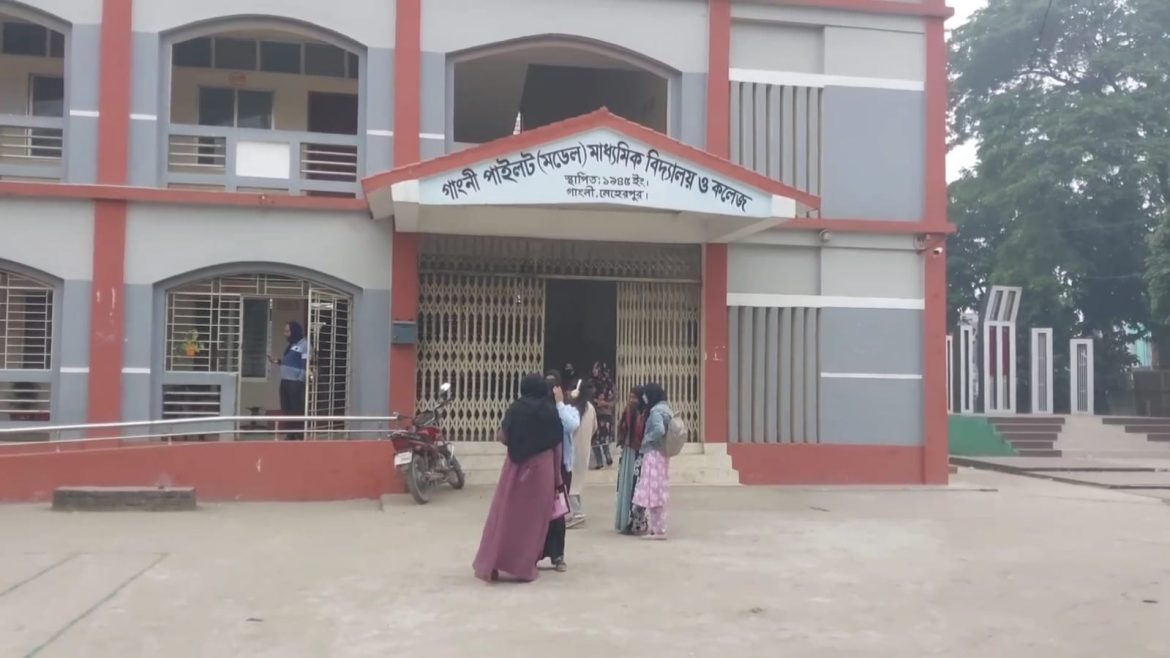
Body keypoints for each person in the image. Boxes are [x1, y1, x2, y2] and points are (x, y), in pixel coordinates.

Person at [473, 374, 566, 583]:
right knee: (533, 522)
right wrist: (557, 479)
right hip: (543, 471)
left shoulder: (515, 409)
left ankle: (494, 563)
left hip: (516, 469)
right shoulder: (550, 411)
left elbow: (502, 436)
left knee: (505, 516)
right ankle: (525, 567)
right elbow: (557, 445)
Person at [540, 370, 579, 571]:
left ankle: (558, 555)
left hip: (562, 468)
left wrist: (559, 404)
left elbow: (571, 426)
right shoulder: (538, 408)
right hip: (541, 468)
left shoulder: (568, 410)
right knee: (538, 512)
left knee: (558, 512)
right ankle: (535, 553)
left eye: (554, 386)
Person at [632, 382, 672, 540]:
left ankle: (658, 529)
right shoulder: (666, 409)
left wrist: (646, 439)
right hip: (662, 455)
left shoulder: (656, 412)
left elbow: (659, 430)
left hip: (653, 454)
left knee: (652, 491)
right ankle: (658, 528)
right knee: (658, 491)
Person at [614, 385, 648, 535]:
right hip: (628, 452)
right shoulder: (628, 412)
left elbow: (642, 434)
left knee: (635, 486)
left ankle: (635, 522)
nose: (631, 400)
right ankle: (625, 521)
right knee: (625, 486)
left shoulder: (644, 414)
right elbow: (622, 430)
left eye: (635, 397)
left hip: (639, 454)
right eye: (630, 397)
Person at [268, 321, 309, 440]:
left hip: (295, 383)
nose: (285, 334)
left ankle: (299, 434)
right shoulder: (292, 345)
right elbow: (289, 362)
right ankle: (290, 434)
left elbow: (305, 364)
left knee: (296, 409)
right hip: (285, 381)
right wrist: (277, 361)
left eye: (287, 331)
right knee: (287, 409)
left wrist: (299, 380)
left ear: (294, 331)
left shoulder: (304, 345)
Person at [567, 379, 597, 528]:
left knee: (570, 483)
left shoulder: (572, 408)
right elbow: (594, 428)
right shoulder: (591, 408)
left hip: (571, 451)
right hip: (584, 450)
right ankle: (576, 510)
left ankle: (578, 513)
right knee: (577, 482)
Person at [590, 361, 615, 469]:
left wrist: (606, 404)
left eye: (595, 368)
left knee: (604, 436)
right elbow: (587, 397)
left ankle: (607, 455)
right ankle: (599, 461)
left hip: (605, 414)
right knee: (594, 437)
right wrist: (596, 402)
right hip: (593, 413)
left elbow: (615, 400)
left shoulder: (610, 384)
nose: (593, 370)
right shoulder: (591, 383)